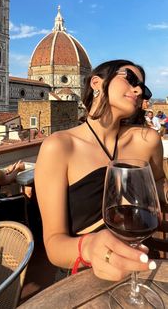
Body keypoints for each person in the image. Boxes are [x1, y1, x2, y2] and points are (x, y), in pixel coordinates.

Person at [35, 59, 167, 282]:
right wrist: (90, 247)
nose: (137, 89)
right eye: (130, 79)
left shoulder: (147, 141)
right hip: (83, 274)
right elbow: (54, 245)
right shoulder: (59, 146)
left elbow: (159, 186)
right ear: (96, 82)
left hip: (140, 263)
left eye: (142, 88)